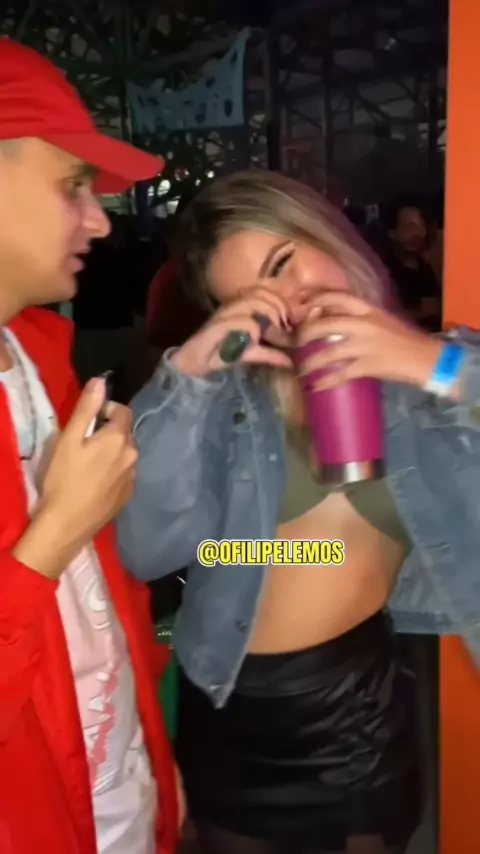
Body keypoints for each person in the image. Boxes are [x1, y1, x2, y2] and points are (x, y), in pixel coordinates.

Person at [117, 170, 480, 854]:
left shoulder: (435, 372)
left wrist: (433, 364)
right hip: (221, 696)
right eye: (251, 299)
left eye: (283, 261)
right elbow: (149, 552)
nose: (287, 303)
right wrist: (184, 382)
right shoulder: (228, 400)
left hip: (350, 714)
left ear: (324, 233)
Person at [0, 39, 181, 854]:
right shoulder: (198, 403)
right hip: (239, 710)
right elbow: (182, 548)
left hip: (353, 711)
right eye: (72, 184)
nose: (101, 218)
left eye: (292, 264)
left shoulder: (42, 356)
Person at [378, 197, 441, 331]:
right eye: (410, 227)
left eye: (422, 225)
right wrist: (418, 313)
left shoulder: (423, 268)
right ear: (392, 233)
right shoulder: (381, 269)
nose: (418, 233)